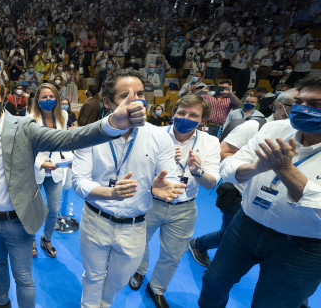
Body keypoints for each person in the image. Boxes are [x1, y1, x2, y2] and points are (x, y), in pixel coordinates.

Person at [0, 74, 147, 308]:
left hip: (17, 220)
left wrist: (111, 124)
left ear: (3, 99)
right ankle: (1, 301)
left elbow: (68, 138)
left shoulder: (24, 127)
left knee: (23, 277)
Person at [199, 75, 321, 307]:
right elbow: (228, 167)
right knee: (213, 282)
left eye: (316, 105)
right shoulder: (275, 128)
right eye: (300, 102)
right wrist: (256, 168)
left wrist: (285, 170)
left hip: (304, 247)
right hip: (246, 224)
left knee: (273, 303)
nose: (303, 109)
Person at [71, 71, 186, 308]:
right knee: (92, 276)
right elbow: (79, 181)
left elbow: (169, 179)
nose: (136, 101)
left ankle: (104, 304)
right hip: (96, 220)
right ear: (108, 102)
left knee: (117, 281)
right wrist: (109, 193)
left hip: (135, 226)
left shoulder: (159, 137)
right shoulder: (90, 134)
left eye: (141, 94)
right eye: (126, 95)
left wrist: (161, 188)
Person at [189, 88, 297, 269]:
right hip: (238, 192)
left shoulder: (297, 135)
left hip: (267, 197)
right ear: (280, 107)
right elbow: (223, 152)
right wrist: (257, 163)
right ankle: (199, 245)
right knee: (231, 234)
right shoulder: (255, 126)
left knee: (242, 236)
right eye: (298, 105)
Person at [129, 95, 221, 307]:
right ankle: (139, 270)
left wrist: (198, 171)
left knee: (173, 254)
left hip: (184, 207)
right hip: (151, 202)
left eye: (193, 115)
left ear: (202, 120)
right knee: (139, 243)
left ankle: (157, 288)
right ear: (173, 113)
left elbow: (210, 183)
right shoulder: (154, 135)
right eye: (181, 112)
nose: (185, 118)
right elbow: (136, 172)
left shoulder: (210, 142)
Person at [27, 83, 71, 258]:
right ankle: (30, 239)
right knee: (33, 209)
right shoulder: (30, 117)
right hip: (37, 168)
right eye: (44, 97)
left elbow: (65, 140)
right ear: (38, 99)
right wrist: (40, 163)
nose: (48, 100)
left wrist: (69, 160)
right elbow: (27, 145)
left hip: (56, 169)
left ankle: (46, 239)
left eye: (51, 97)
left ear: (57, 99)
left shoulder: (63, 115)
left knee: (53, 209)